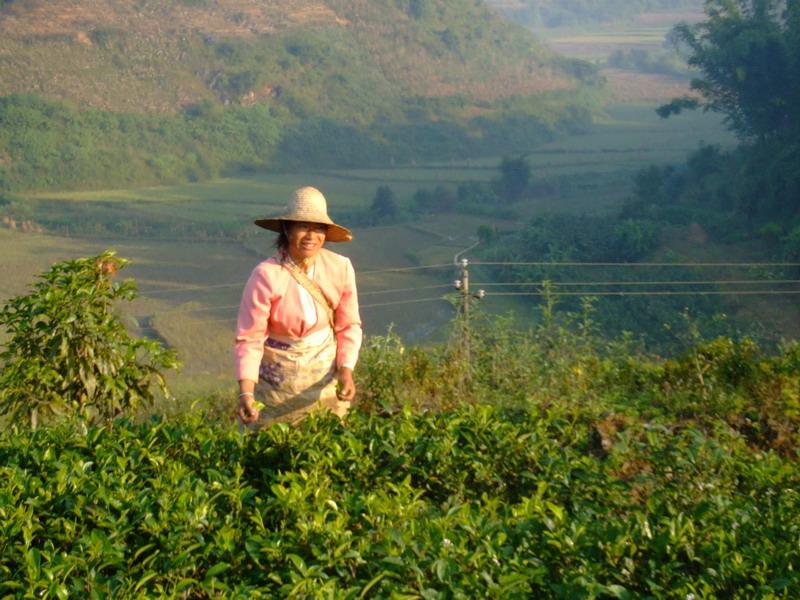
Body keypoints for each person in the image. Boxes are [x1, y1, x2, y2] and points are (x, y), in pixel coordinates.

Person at [234, 186, 362, 426]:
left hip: (324, 381)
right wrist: (246, 393)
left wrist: (346, 372)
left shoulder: (340, 267)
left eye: (318, 228)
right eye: (303, 226)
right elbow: (250, 338)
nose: (311, 236)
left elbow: (349, 326)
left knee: (326, 444)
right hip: (275, 387)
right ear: (287, 229)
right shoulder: (266, 275)